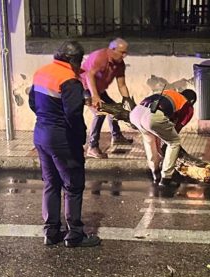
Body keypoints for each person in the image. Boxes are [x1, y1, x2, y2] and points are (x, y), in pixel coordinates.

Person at [29, 40, 101, 248]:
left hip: (41, 134)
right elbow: (73, 114)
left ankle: (51, 232)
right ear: (72, 60)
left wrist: (47, 118)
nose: (80, 67)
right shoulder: (70, 80)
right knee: (73, 185)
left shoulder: (41, 72)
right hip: (62, 139)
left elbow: (33, 103)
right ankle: (75, 234)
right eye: (79, 62)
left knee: (51, 183)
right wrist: (80, 138)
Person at [129, 89, 197, 186]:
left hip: (136, 113)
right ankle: (166, 178)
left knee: (149, 139)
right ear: (192, 101)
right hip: (152, 116)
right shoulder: (188, 106)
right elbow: (176, 129)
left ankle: (155, 173)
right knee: (174, 142)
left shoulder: (169, 92)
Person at [82, 37, 134, 159]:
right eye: (122, 52)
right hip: (85, 87)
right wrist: (95, 96)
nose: (125, 55)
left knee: (115, 109)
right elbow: (90, 75)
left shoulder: (120, 64)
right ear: (112, 50)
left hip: (99, 90)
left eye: (126, 52)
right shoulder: (100, 57)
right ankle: (92, 147)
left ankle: (116, 136)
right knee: (100, 113)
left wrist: (128, 100)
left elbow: (122, 85)